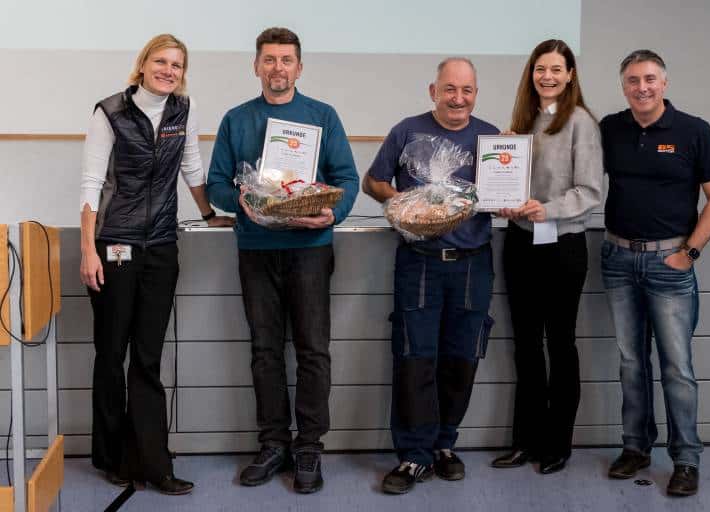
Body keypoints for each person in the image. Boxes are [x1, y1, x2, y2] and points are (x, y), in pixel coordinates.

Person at [206, 27, 359, 494]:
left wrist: (332, 213)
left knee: (313, 350)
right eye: (269, 59)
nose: (278, 68)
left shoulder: (322, 116)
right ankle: (273, 442)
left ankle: (309, 446)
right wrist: (241, 200)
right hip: (256, 250)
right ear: (256, 66)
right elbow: (216, 185)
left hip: (310, 250)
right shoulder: (236, 120)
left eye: (286, 60)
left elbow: (347, 179)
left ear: (299, 67)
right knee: (265, 351)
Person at [79, 33, 233, 495]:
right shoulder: (110, 112)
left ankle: (154, 462)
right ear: (143, 64)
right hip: (115, 245)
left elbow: (192, 167)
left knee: (147, 358)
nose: (169, 71)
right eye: (161, 62)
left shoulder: (183, 110)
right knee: (111, 354)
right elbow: (91, 182)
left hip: (162, 246)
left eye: (177, 65)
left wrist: (208, 214)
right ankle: (113, 458)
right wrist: (88, 250)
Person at [363, 57, 498, 494]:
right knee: (415, 357)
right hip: (420, 260)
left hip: (474, 262)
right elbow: (373, 182)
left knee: (463, 357)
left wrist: (514, 198)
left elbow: (504, 194)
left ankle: (444, 444)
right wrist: (407, 204)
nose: (458, 98)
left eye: (467, 90)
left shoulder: (492, 138)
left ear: (475, 94)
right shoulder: (407, 131)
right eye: (450, 89)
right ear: (433, 91)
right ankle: (413, 455)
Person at [600, 49, 710, 496]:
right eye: (633, 80)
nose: (642, 87)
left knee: (676, 367)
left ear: (664, 83)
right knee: (631, 362)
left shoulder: (694, 131)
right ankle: (636, 448)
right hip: (618, 260)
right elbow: (568, 159)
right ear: (623, 86)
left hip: (669, 264)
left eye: (650, 79)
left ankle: (686, 460)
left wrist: (689, 253)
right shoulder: (610, 128)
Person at [491, 39, 602, 475]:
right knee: (525, 346)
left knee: (560, 344)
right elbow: (513, 185)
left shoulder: (581, 122)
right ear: (531, 74)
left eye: (556, 69)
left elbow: (590, 191)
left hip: (562, 247)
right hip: (520, 243)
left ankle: (558, 444)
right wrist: (503, 188)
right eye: (540, 69)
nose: (548, 77)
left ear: (570, 75)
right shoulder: (523, 120)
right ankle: (526, 441)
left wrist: (547, 209)